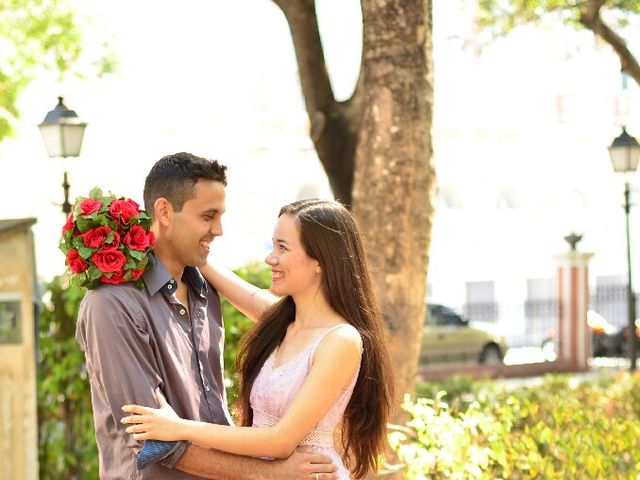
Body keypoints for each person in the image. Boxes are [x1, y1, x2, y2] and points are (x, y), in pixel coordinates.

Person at [76, 153, 337, 479]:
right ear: (164, 211)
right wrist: (269, 473)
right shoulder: (113, 304)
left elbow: (308, 320)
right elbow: (158, 443)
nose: (219, 230)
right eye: (208, 216)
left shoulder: (204, 291)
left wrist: (202, 260)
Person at [121, 199, 394, 479]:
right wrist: (175, 243)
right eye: (273, 245)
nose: (270, 258)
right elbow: (225, 280)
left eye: (283, 247)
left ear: (320, 262)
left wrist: (179, 428)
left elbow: (281, 440)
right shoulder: (283, 321)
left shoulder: (341, 340)